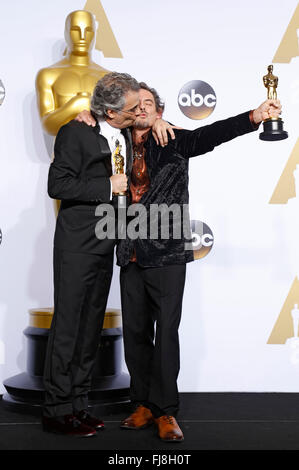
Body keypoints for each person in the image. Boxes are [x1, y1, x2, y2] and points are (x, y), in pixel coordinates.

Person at [76, 84, 282, 442]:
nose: (141, 108)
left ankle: (166, 411)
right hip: (129, 251)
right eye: (135, 104)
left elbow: (212, 134)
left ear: (159, 110)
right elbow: (97, 122)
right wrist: (83, 117)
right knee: (137, 333)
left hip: (167, 252)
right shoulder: (115, 140)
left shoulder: (172, 139)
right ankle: (141, 403)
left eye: (149, 104)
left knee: (166, 334)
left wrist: (255, 116)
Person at [42, 72, 139, 437]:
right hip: (77, 243)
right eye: (130, 109)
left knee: (89, 329)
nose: (135, 114)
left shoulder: (124, 132)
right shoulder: (75, 131)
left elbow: (148, 117)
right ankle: (55, 410)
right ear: (111, 111)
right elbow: (58, 184)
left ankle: (78, 404)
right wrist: (105, 185)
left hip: (107, 241)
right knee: (68, 327)